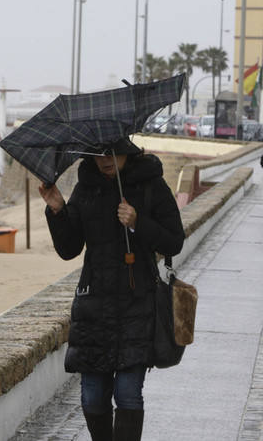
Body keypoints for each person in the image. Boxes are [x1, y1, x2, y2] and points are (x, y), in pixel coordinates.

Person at [38, 137, 185, 441]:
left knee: (128, 394)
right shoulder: (86, 188)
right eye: (98, 154)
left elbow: (174, 241)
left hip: (138, 304)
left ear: (126, 152)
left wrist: (137, 222)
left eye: (111, 153)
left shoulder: (151, 185)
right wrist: (58, 211)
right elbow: (69, 248)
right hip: (94, 306)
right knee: (93, 397)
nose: (104, 160)